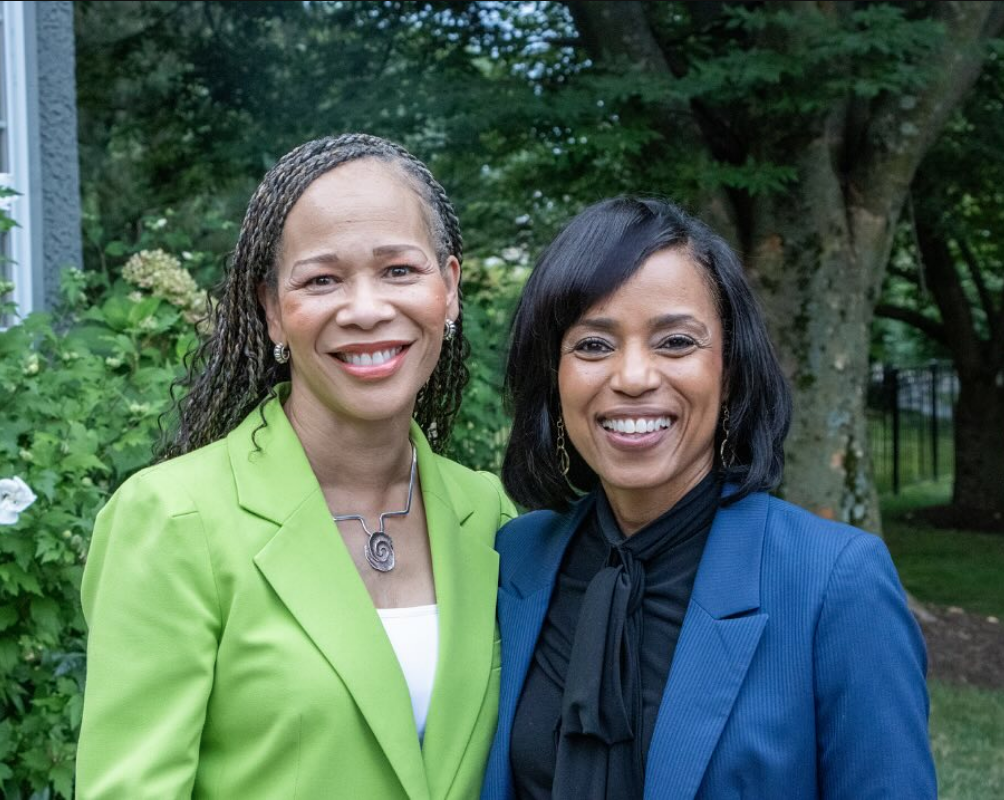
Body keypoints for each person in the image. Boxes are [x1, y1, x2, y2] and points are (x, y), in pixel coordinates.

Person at [76, 133, 516, 799]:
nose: (366, 308)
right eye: (321, 279)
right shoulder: (173, 521)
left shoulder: (489, 515)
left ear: (448, 290)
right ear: (273, 311)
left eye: (399, 270)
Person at [481, 197, 936, 799]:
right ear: (553, 375)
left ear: (730, 369)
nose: (634, 376)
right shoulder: (516, 558)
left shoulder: (835, 584)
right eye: (593, 345)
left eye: (674, 342)